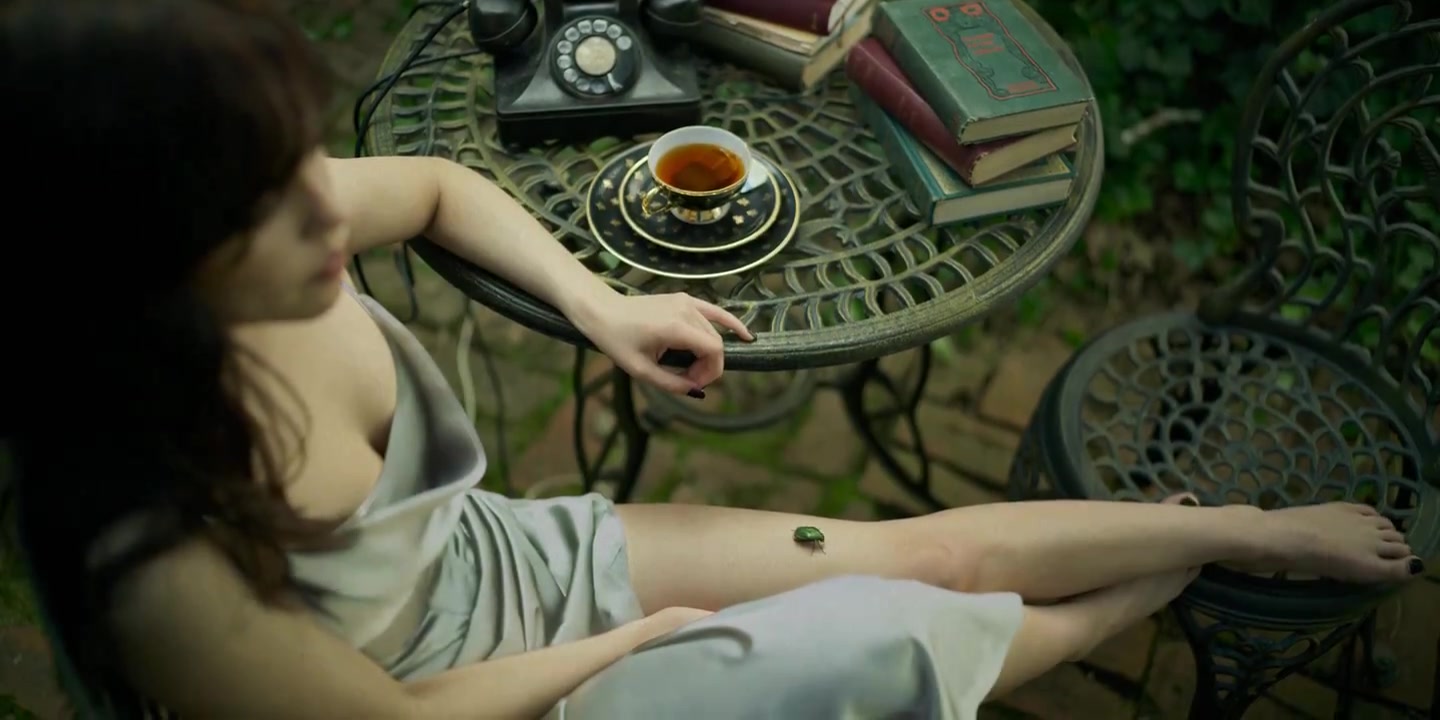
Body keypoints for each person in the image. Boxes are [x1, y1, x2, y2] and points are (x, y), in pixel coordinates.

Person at [0, 0, 1425, 718]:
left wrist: (604, 305)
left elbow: (432, 184)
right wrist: (631, 648)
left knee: (918, 557)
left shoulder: (282, 230)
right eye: (265, 198)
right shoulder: (150, 558)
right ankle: (1147, 584)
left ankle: (1239, 532)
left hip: (509, 560)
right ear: (142, 254)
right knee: (881, 640)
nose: (328, 209)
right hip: (481, 698)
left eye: (301, 162)